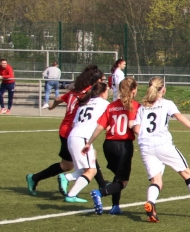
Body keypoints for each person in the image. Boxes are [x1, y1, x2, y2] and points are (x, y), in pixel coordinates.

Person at [132, 77, 190, 222]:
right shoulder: (166, 104)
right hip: (163, 144)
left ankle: (151, 204)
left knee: (156, 180)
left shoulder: (142, 107)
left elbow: (136, 128)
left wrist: (148, 137)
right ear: (163, 89)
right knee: (187, 174)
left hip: (145, 146)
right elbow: (180, 117)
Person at [28, 65, 105, 196]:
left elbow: (58, 99)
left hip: (67, 129)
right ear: (95, 80)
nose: (103, 82)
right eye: (102, 80)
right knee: (87, 158)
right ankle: (101, 185)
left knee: (68, 164)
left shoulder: (76, 91)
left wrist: (52, 106)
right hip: (73, 130)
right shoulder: (87, 94)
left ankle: (35, 178)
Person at [80, 77, 140, 215]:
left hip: (108, 145)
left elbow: (100, 126)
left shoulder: (111, 106)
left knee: (118, 176)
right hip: (123, 146)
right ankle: (100, 193)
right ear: (133, 90)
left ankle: (115, 206)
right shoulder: (135, 106)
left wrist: (89, 143)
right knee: (123, 181)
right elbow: (132, 125)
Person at [63, 81, 112, 212]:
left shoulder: (84, 103)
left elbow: (74, 124)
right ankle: (71, 195)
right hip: (82, 138)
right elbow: (108, 120)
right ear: (103, 93)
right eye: (107, 91)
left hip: (73, 136)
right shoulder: (104, 103)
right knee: (91, 171)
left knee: (86, 168)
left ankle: (67, 178)